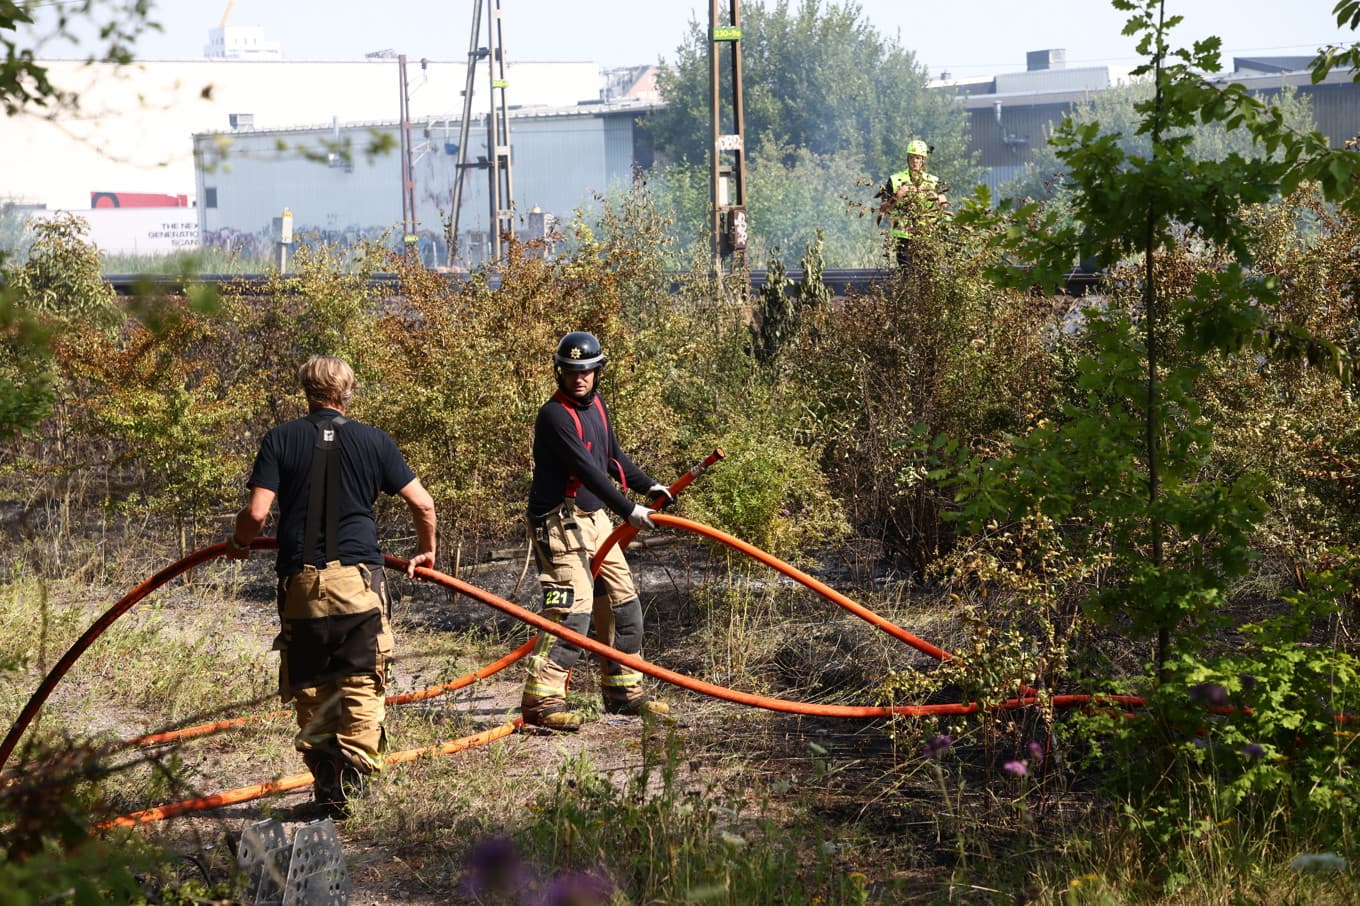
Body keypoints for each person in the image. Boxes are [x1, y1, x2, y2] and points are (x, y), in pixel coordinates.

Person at [226, 354, 437, 817]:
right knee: (361, 680)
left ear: (306, 390)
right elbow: (422, 505)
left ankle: (326, 785)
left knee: (312, 683)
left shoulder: (280, 439)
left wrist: (240, 543)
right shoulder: (374, 441)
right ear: (348, 391)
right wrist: (425, 550)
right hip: (358, 583)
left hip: (300, 585)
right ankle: (356, 787)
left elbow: (257, 514)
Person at [520, 330, 672, 731]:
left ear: (597, 371)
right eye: (571, 372)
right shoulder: (553, 416)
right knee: (572, 607)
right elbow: (585, 468)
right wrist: (628, 508)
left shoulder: (599, 406)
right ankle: (542, 699)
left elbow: (610, 458)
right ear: (560, 373)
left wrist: (648, 485)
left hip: (594, 519)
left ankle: (623, 691)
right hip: (557, 522)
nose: (579, 378)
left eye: (586, 371)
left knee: (624, 603)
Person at [878, 138, 949, 268]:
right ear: (907, 158)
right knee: (908, 275)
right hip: (904, 236)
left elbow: (944, 205)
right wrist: (898, 195)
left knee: (928, 275)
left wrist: (936, 197)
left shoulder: (933, 181)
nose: (914, 161)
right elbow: (883, 209)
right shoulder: (895, 180)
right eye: (911, 157)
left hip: (927, 235)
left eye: (918, 158)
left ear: (923, 160)